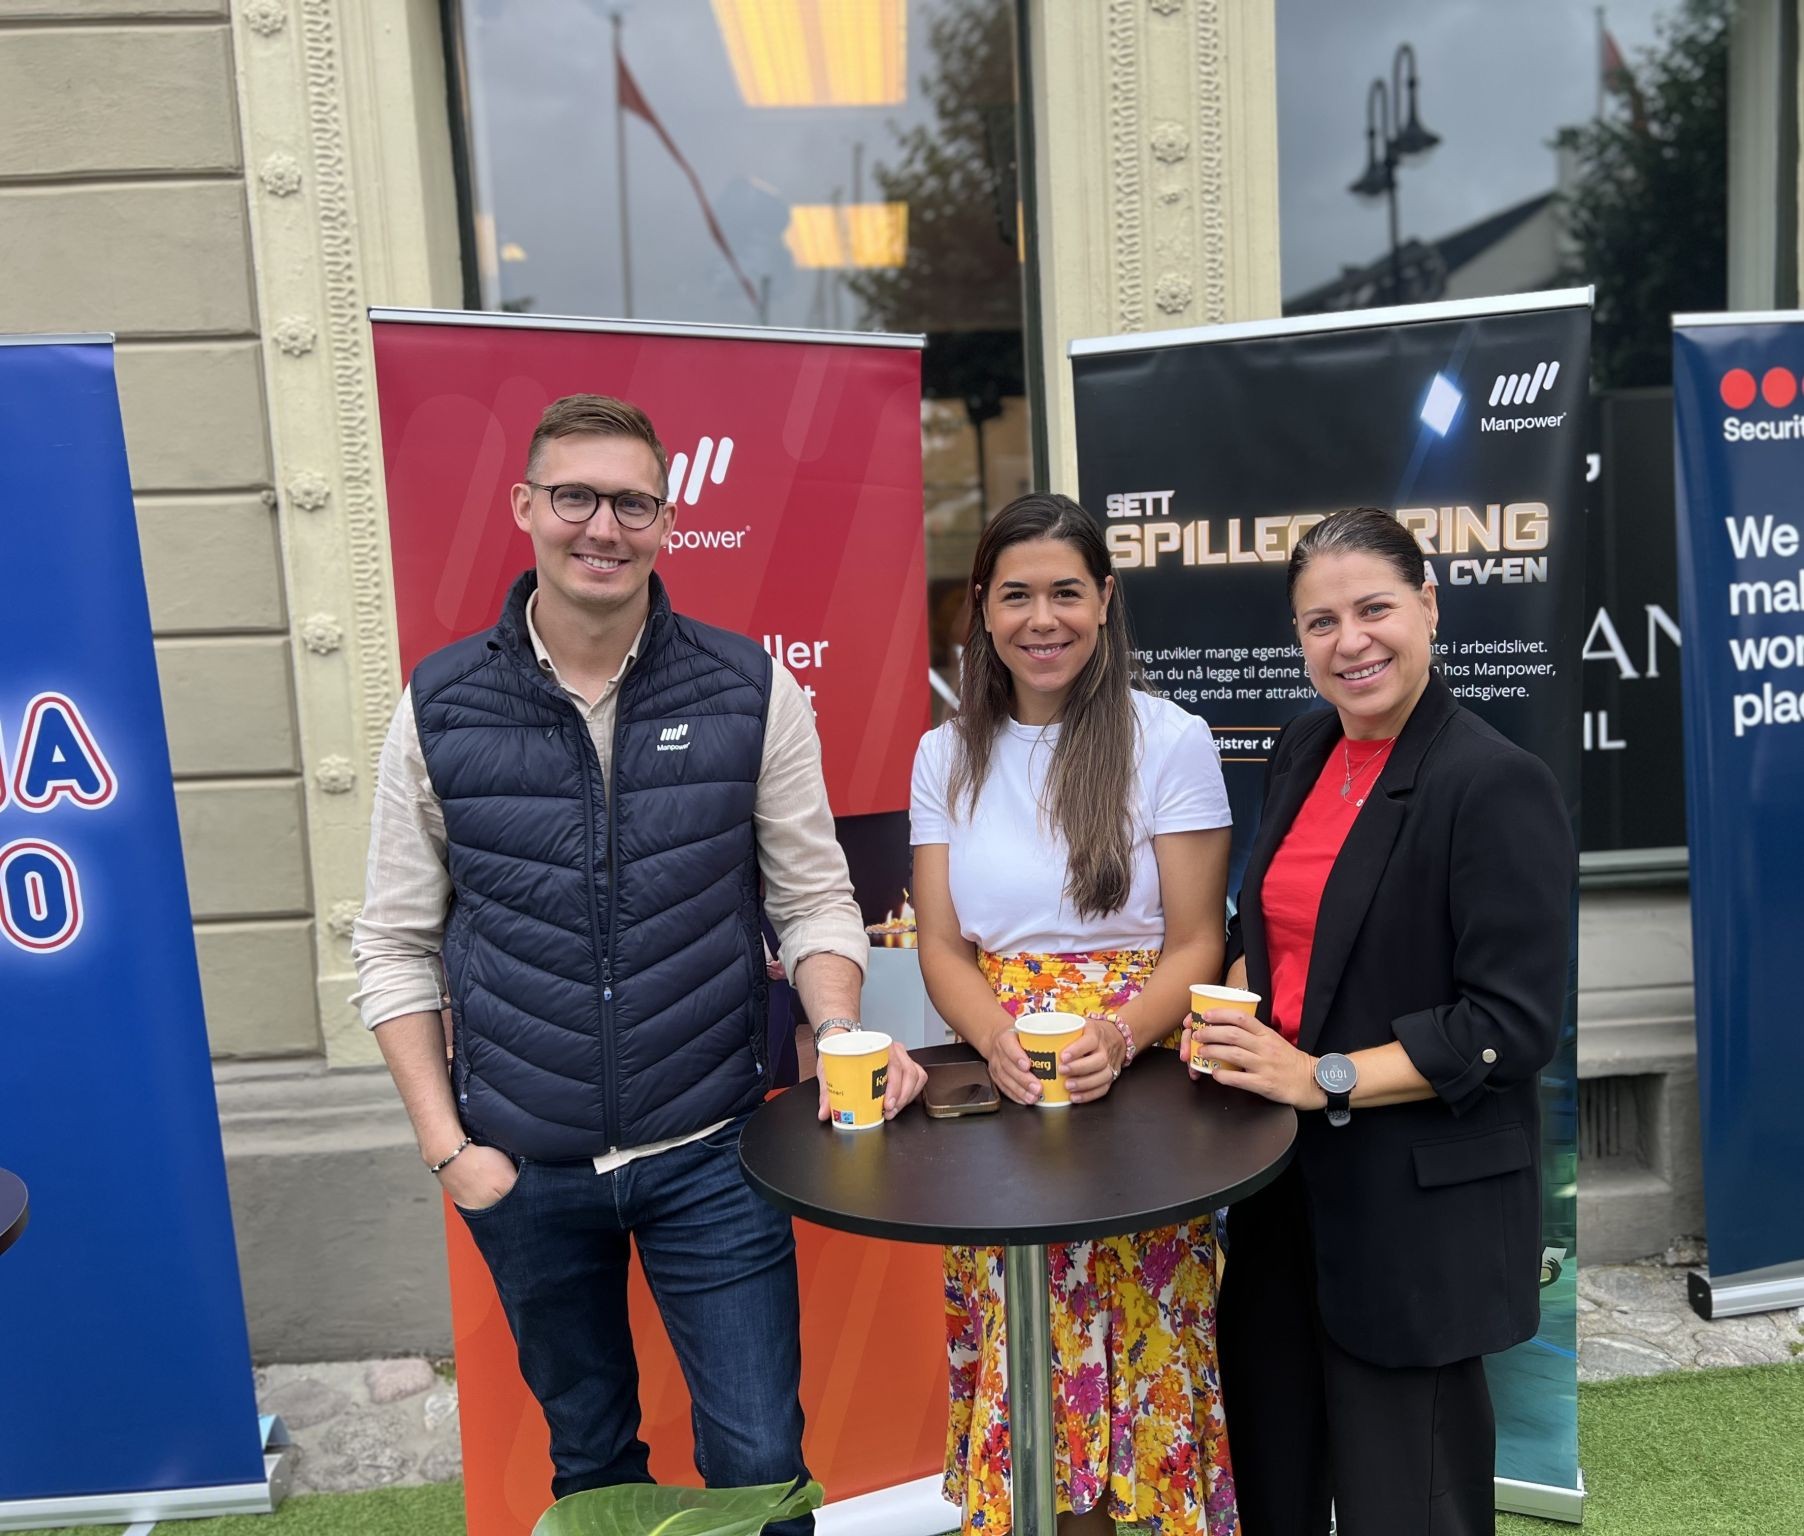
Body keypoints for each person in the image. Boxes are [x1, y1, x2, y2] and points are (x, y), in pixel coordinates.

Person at [351, 393, 925, 1523]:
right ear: (525, 506)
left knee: (762, 1466)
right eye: (575, 497)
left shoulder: (749, 688)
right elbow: (394, 942)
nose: (602, 527)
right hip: (523, 1168)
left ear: (667, 522)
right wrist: (448, 1150)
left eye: (633, 503)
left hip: (715, 1154)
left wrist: (839, 1028)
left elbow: (813, 897)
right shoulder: (439, 706)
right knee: (592, 1470)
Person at [1186, 507, 1575, 1536]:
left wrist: (1322, 1077)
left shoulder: (1494, 782)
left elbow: (1508, 1025)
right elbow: (1268, 925)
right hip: (1280, 1194)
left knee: (1409, 1509)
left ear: (1428, 605)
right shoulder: (1304, 745)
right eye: (1321, 622)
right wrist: (1233, 1013)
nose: (1349, 642)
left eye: (1374, 610)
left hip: (1414, 1218)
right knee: (1272, 1486)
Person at [910, 493, 1240, 1536]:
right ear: (981, 606)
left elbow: (1198, 941)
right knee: (1025, 1340)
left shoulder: (1169, 739)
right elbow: (941, 945)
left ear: (1104, 600)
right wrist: (996, 1040)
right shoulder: (943, 754)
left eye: (1065, 592)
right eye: (1016, 595)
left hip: (1142, 1080)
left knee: (1147, 1337)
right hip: (1005, 1083)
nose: (1041, 619)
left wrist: (1119, 1036)